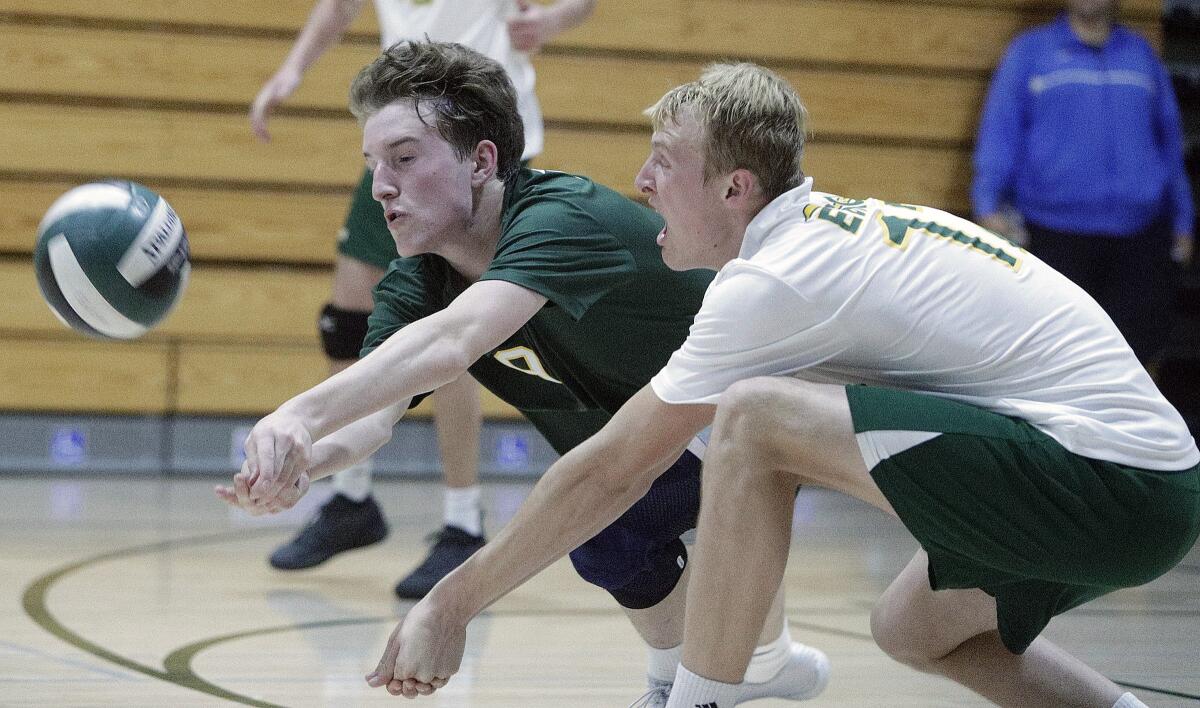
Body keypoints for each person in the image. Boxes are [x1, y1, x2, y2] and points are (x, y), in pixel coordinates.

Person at [348, 62, 1200, 707]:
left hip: (1110, 479)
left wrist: (452, 605)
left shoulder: (770, 280)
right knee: (912, 631)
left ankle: (705, 698)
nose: (642, 184)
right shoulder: (822, 241)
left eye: (664, 163)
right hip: (1132, 485)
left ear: (734, 187)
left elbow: (615, 468)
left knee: (755, 419)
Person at [218, 41, 829, 704]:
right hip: (656, 449)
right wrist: (307, 460)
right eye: (371, 164)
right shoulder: (419, 281)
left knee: (599, 518)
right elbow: (374, 416)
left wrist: (295, 416)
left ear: (482, 161)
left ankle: (705, 680)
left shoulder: (559, 216)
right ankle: (745, 666)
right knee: (607, 532)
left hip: (757, 421)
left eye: (404, 158)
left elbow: (456, 340)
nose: (380, 186)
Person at [247, 0, 596, 598]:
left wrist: (553, 20)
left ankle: (462, 519)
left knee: (447, 330)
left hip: (466, 152)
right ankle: (351, 498)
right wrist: (293, 69)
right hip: (401, 141)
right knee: (346, 320)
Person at [972, 0, 1194, 367]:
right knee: (1054, 362)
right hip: (1053, 237)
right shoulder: (1030, 52)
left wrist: (1183, 221)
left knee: (1136, 363)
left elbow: (1169, 143)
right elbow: (1000, 131)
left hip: (1139, 240)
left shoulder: (1141, 56)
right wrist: (987, 205)